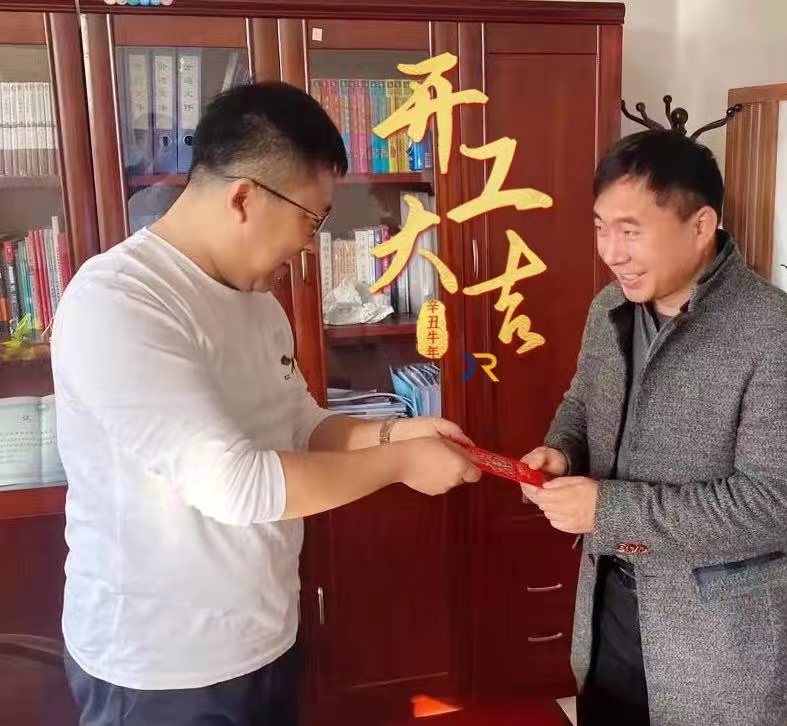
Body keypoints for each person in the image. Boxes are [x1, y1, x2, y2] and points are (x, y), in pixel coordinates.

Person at [52, 82, 480, 726]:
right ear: (244, 198)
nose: (311, 244)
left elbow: (302, 427)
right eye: (313, 220)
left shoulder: (258, 305)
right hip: (160, 668)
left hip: (263, 636)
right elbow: (235, 485)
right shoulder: (120, 302)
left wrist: (403, 434)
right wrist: (401, 465)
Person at [520, 130, 787, 726]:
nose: (611, 251)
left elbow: (769, 505)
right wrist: (562, 450)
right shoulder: (608, 309)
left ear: (700, 225)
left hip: (718, 648)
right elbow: (582, 402)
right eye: (600, 227)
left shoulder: (781, 337)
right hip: (608, 611)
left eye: (631, 230)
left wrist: (605, 510)